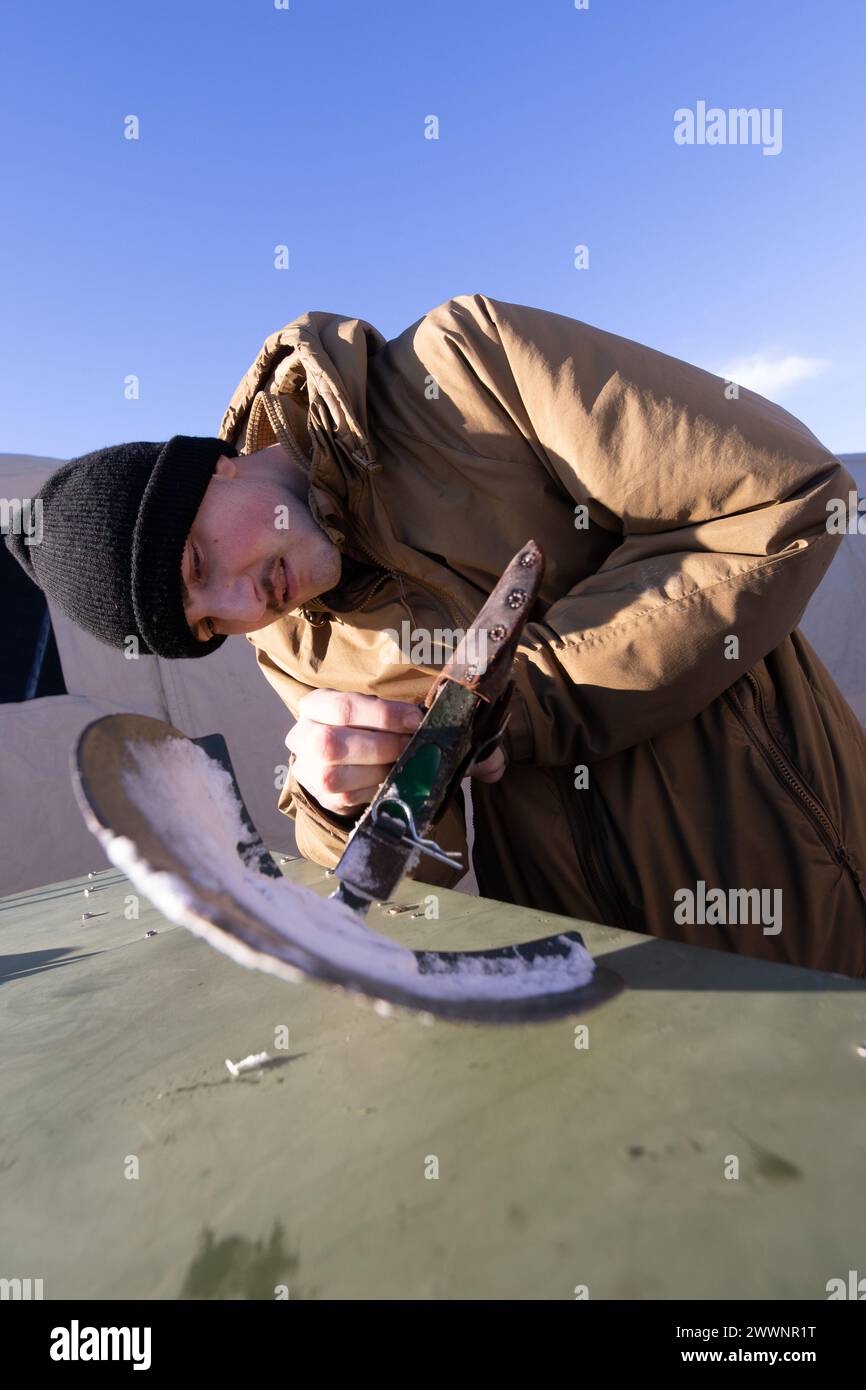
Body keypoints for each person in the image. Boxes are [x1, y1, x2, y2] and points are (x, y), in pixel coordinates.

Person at [7, 293, 866, 975]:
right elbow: (423, 880)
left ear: (215, 464)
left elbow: (784, 501)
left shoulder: (466, 371)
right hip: (609, 964)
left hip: (797, 883)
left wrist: (528, 702)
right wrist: (340, 811)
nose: (242, 605)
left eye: (200, 563)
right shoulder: (286, 640)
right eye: (207, 625)